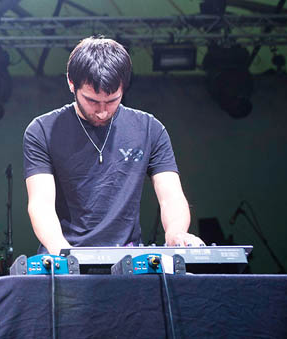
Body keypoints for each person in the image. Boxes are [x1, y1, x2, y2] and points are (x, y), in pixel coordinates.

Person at [23, 36, 203, 255]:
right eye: (92, 100)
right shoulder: (42, 131)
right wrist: (62, 252)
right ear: (71, 83)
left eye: (112, 101)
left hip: (127, 257)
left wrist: (176, 233)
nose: (102, 111)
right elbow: (40, 203)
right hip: (65, 254)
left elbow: (171, 196)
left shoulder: (149, 129)